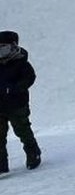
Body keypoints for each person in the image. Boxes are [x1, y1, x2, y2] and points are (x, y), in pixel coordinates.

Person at [0, 30, 40, 175]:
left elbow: (30, 78)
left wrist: (15, 88)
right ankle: (1, 166)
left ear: (13, 46)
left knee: (22, 130)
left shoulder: (21, 62)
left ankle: (33, 154)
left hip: (17, 105)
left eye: (3, 47)